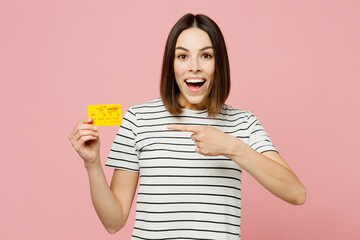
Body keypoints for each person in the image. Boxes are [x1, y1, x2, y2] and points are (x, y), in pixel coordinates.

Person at [69, 13, 306, 239]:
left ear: (219, 64)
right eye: (183, 56)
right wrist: (92, 165)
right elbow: (114, 222)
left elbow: (297, 193)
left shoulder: (243, 123)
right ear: (171, 65)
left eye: (206, 55)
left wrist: (231, 147)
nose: (194, 66)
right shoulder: (138, 119)